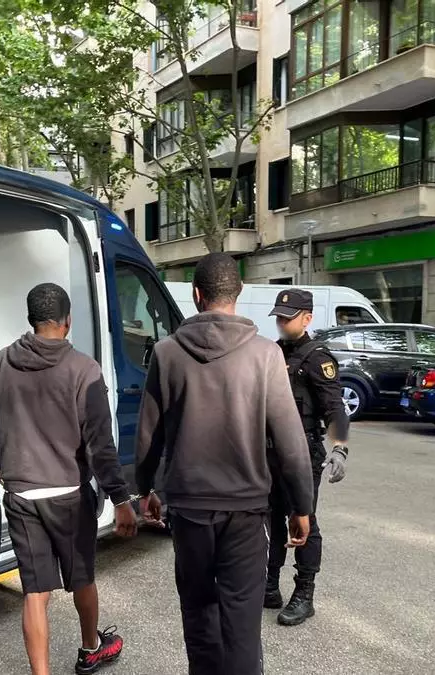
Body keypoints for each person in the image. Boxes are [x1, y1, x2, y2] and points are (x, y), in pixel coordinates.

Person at [136, 253, 314, 675]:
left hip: (189, 508)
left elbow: (148, 433)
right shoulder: (265, 354)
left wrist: (144, 490)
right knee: (242, 622)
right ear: (239, 292)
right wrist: (301, 507)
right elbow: (290, 441)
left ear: (196, 295)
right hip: (245, 510)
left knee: (198, 614)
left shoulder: (166, 352)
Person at [0, 282, 136, 675]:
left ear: (32, 319)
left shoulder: (2, 362)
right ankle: (91, 649)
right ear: (67, 321)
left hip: (20, 494)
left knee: (35, 591)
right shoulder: (83, 369)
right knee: (82, 577)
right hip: (68, 497)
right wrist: (120, 498)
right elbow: (100, 445)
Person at [265, 288, 350, 626]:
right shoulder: (271, 353)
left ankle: (304, 595)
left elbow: (335, 408)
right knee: (271, 519)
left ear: (307, 318)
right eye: (279, 317)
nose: (282, 323)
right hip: (269, 451)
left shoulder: (317, 358)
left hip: (303, 453)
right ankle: (270, 586)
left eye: (288, 318)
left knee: (304, 520)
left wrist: (340, 447)